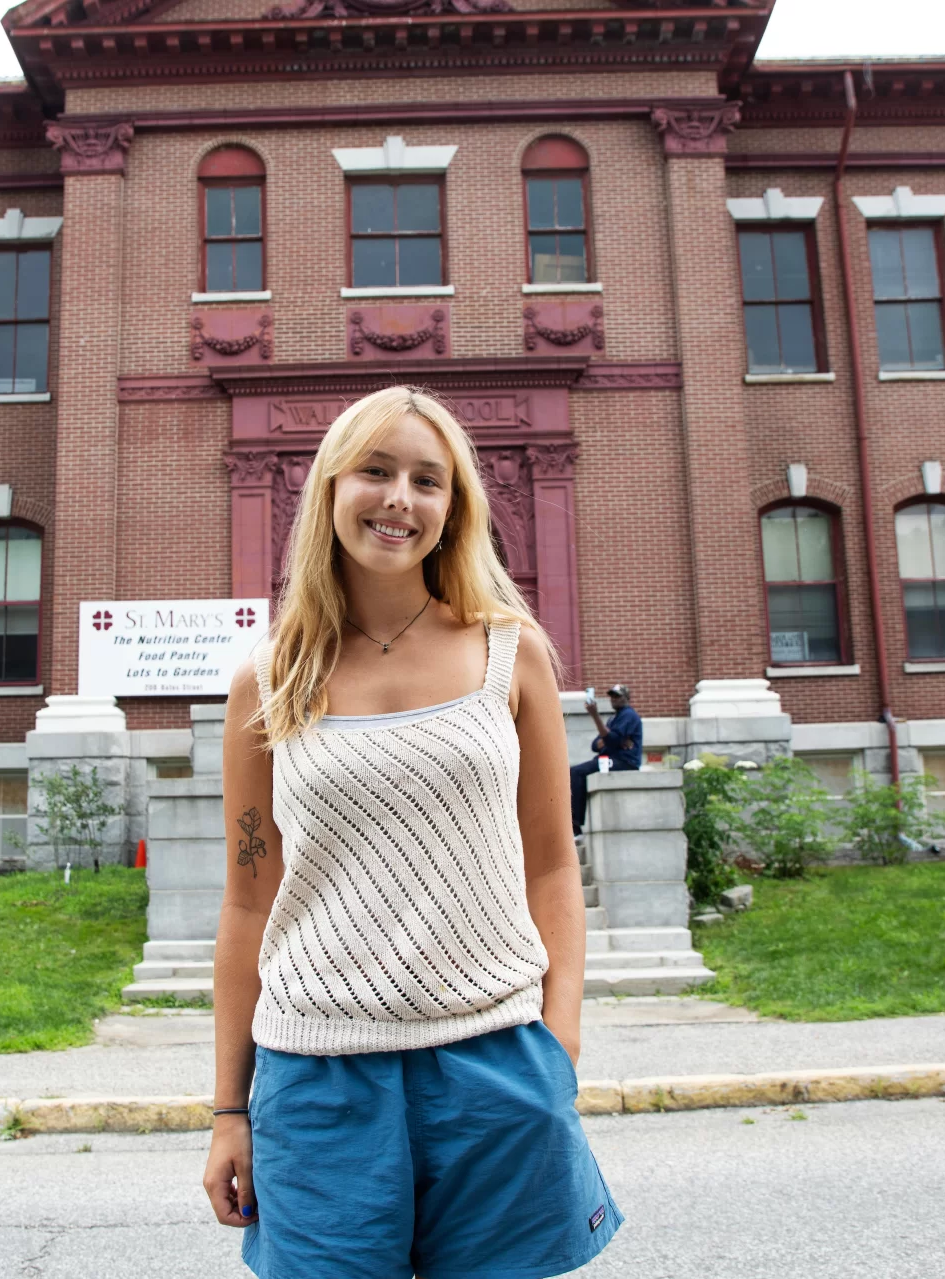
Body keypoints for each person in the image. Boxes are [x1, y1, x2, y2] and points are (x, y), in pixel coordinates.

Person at [202, 384, 622, 1279]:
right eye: (377, 470)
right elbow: (247, 903)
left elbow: (552, 866)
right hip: (316, 1079)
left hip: (495, 1063)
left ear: (452, 508)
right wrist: (227, 1110)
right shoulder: (266, 679)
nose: (400, 498)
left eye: (427, 480)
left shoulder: (511, 652)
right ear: (330, 489)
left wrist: (559, 1046)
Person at [569, 684, 642, 835]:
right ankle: (574, 823)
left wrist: (595, 716)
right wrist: (608, 738)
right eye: (612, 696)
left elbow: (611, 739)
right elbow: (595, 745)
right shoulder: (613, 719)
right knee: (575, 772)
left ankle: (575, 826)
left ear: (627, 698)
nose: (614, 699)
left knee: (577, 773)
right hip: (610, 758)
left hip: (624, 761)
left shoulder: (629, 715)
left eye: (618, 696)